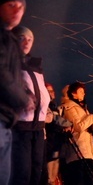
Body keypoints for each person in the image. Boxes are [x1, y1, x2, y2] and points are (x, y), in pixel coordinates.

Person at [0, 0, 34, 185]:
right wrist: (23, 99)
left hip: (6, 119)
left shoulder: (9, 40)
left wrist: (26, 93)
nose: (17, 11)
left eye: (21, 7)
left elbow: (13, 76)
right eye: (11, 5)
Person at [10, 26, 51, 185]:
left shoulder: (36, 68)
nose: (27, 42)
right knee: (22, 173)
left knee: (37, 172)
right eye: (22, 38)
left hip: (38, 129)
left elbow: (41, 94)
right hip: (20, 129)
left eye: (30, 39)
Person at [60, 82, 93, 185]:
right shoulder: (69, 107)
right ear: (73, 94)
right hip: (77, 151)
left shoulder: (82, 108)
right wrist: (92, 117)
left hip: (88, 151)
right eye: (81, 91)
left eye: (84, 92)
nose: (84, 94)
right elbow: (79, 126)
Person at [44, 83, 73, 185]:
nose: (50, 93)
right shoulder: (46, 107)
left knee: (54, 175)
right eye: (47, 91)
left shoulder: (55, 107)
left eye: (51, 91)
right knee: (49, 176)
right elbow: (54, 121)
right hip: (49, 144)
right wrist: (68, 125)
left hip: (57, 144)